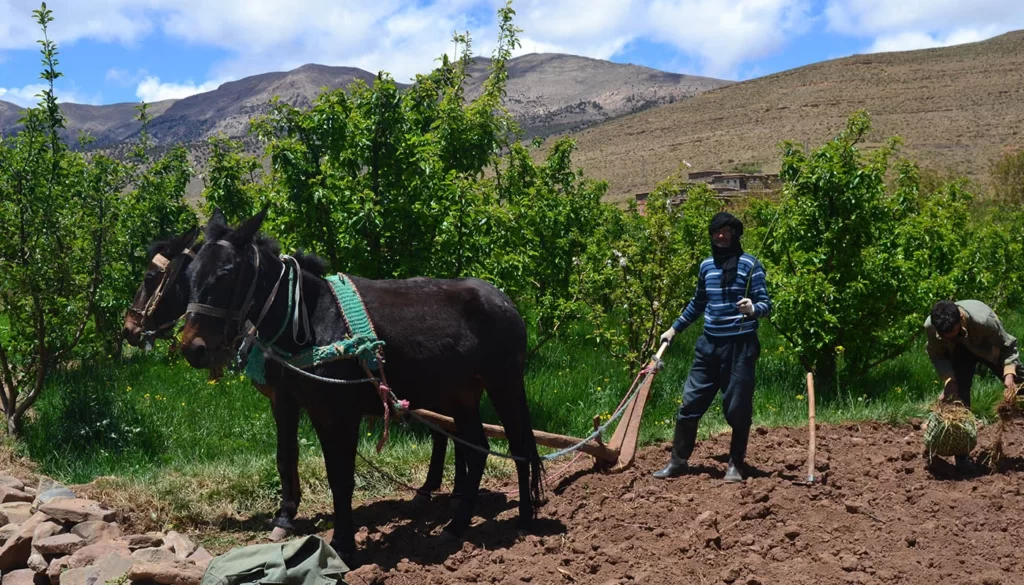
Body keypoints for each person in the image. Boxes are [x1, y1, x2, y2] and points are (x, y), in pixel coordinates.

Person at [654, 211, 772, 482]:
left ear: (735, 235)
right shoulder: (706, 266)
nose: (720, 236)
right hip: (708, 346)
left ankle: (735, 465)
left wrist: (753, 308)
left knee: (737, 409)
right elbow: (698, 303)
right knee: (689, 405)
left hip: (740, 348)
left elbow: (766, 304)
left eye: (726, 232)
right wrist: (674, 329)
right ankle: (678, 462)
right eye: (716, 232)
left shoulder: (751, 265)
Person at [924, 299, 1024, 471]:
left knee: (1022, 385)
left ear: (960, 319)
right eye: (946, 335)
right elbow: (937, 355)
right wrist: (949, 380)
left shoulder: (984, 321)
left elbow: (1008, 346)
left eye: (953, 332)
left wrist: (1009, 374)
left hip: (991, 350)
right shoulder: (931, 327)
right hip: (960, 354)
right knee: (959, 399)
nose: (950, 337)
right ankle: (962, 458)